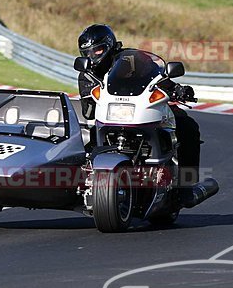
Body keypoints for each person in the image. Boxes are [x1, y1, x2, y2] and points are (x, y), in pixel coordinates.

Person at [76, 24, 202, 186]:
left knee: (187, 126)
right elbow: (88, 112)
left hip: (142, 108)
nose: (92, 56)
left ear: (109, 45)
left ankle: (187, 182)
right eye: (87, 53)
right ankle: (89, 183)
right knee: (89, 141)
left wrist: (177, 89)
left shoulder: (133, 60)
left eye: (97, 50)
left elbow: (158, 77)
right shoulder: (86, 73)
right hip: (110, 116)